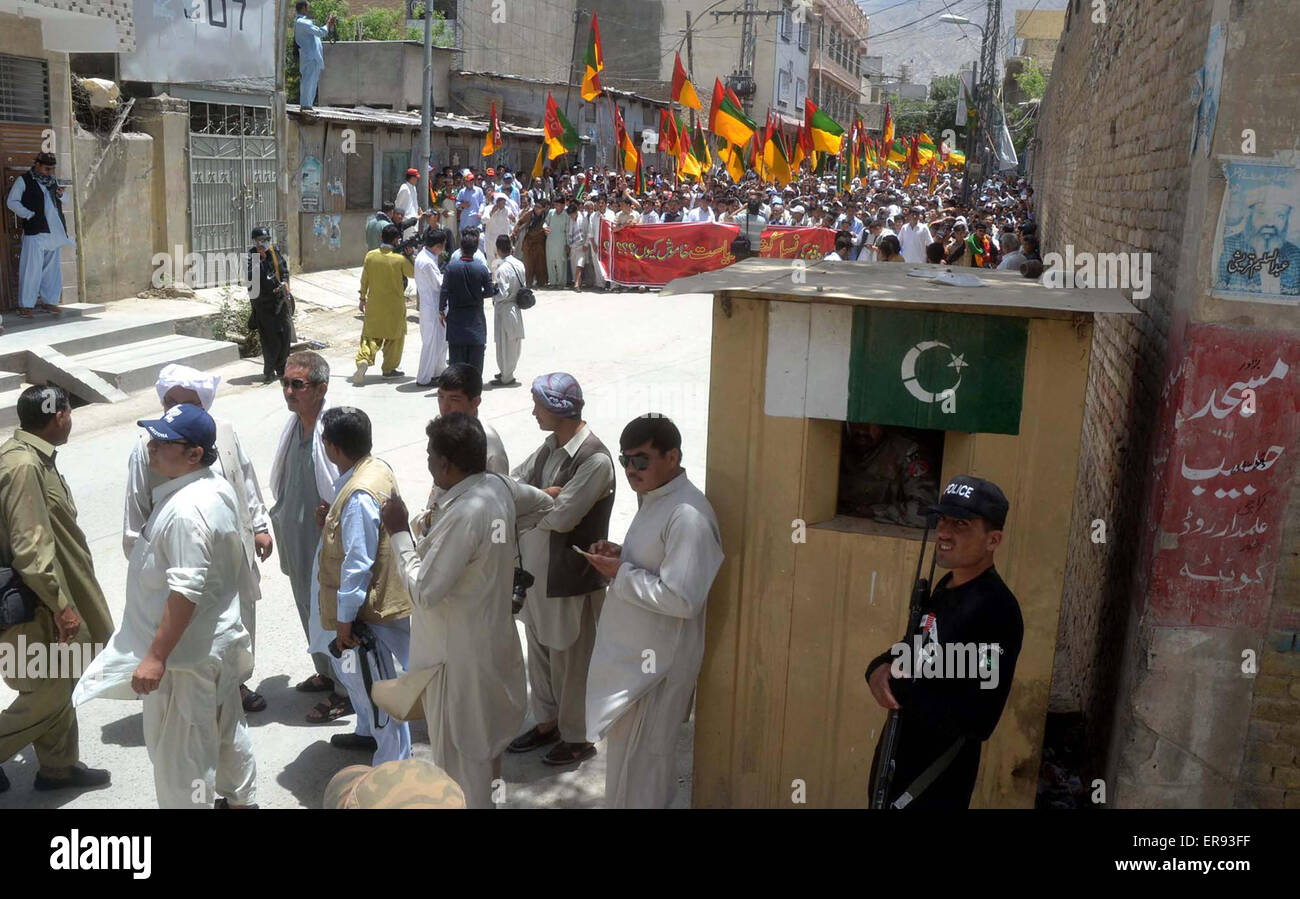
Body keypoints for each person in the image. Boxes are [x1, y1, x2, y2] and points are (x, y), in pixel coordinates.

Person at [75, 404, 257, 808]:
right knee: (225, 730)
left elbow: (186, 590)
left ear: (194, 454)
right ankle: (242, 800)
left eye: (162, 443)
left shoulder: (187, 510)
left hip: (184, 659)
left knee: (183, 760)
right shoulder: (212, 487)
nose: (151, 449)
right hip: (214, 643)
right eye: (151, 440)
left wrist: (156, 656)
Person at [378, 413, 554, 807]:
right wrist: (500, 545)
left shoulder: (466, 513)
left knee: (462, 766)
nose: (425, 462)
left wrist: (400, 532)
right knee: (485, 758)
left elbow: (425, 590)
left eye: (429, 455)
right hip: (489, 650)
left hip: (459, 668)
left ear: (445, 464)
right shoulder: (497, 487)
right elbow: (543, 504)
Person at [583, 415, 724, 808]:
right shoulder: (657, 499)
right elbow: (653, 567)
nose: (631, 470)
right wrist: (621, 557)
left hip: (657, 671)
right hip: (635, 665)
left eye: (641, 460)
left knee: (644, 779)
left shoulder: (687, 516)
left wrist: (620, 573)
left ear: (672, 456)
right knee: (628, 776)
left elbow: (682, 598)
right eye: (625, 460)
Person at [865, 476, 1023, 809]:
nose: (944, 532)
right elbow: (919, 645)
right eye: (943, 520)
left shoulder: (996, 610)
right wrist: (878, 667)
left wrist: (899, 685)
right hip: (897, 776)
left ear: (993, 540)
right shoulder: (946, 587)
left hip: (934, 788)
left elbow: (979, 716)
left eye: (961, 524)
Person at [124, 364, 273, 714]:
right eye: (170, 401)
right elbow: (135, 512)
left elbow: (244, 479)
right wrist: (144, 570)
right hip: (179, 560)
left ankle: (234, 683)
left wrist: (260, 525)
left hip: (229, 554)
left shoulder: (223, 432)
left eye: (186, 403)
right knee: (187, 626)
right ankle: (189, 694)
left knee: (235, 620)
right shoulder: (149, 445)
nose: (175, 408)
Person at [0, 385, 114, 795]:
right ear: (60, 415)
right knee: (45, 692)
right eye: (69, 411)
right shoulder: (24, 466)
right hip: (33, 603)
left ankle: (58, 769)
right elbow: (31, 549)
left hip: (47, 596)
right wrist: (62, 606)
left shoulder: (30, 457)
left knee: (61, 678)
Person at [507, 374, 614, 767]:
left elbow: (563, 517)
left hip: (570, 580)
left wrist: (538, 502)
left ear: (557, 408)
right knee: (540, 652)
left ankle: (578, 736)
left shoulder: (595, 460)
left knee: (572, 662)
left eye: (538, 404)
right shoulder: (551, 447)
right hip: (537, 576)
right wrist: (544, 496)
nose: (533, 411)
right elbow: (512, 483)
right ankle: (547, 722)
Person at [311, 407, 413, 764]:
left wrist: (344, 619)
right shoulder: (376, 468)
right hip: (387, 600)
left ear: (332, 447)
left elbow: (358, 562)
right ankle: (369, 735)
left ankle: (392, 773)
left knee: (380, 693)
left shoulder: (357, 495)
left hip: (368, 614)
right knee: (373, 686)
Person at [267, 351, 348, 720]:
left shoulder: (334, 429)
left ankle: (346, 690)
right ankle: (325, 672)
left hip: (323, 540)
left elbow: (347, 483)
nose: (288, 390)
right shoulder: (295, 425)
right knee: (305, 604)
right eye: (285, 382)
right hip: (296, 538)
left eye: (296, 384)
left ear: (321, 388)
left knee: (329, 611)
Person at [5, 152, 74, 318]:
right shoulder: (25, 180)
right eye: (46, 168)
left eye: (52, 168)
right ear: (37, 165)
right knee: (31, 269)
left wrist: (61, 193)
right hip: (35, 231)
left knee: (52, 270)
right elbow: (11, 202)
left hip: (54, 232)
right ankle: (26, 305)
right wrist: (28, 214)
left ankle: (49, 302)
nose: (49, 171)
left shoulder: (53, 182)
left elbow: (66, 200)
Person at [837, 422, 938, 528]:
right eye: (856, 421)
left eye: (871, 422)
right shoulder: (833, 441)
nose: (862, 429)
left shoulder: (905, 452)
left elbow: (927, 512)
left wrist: (877, 511)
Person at [355, 224, 415, 384]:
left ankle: (364, 359)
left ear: (382, 238)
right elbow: (414, 273)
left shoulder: (370, 256)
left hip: (374, 304)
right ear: (396, 240)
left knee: (370, 337)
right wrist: (410, 256)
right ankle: (389, 369)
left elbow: (364, 279)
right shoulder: (399, 259)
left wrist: (362, 298)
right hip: (395, 306)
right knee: (394, 339)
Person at [440, 232, 495, 374]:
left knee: (456, 365)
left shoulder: (451, 268)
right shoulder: (481, 268)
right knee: (475, 366)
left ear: (461, 248)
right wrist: (477, 296)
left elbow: (444, 291)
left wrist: (441, 310)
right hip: (476, 321)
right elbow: (490, 291)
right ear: (476, 249)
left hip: (456, 320)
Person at [246, 226, 293, 384]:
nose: (263, 243)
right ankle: (269, 371)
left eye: (266, 240)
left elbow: (284, 270)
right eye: (260, 240)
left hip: (280, 301)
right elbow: (254, 281)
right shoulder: (253, 256)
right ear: (255, 241)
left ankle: (282, 367)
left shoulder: (275, 251)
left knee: (285, 335)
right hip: (264, 304)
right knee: (270, 339)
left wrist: (286, 283)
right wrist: (261, 259)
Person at [489, 234, 526, 388]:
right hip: (516, 306)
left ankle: (506, 376)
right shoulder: (519, 264)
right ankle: (506, 371)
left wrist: (492, 295)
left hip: (505, 307)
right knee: (513, 342)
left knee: (505, 343)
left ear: (498, 249)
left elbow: (502, 293)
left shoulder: (502, 268)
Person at [414, 228, 448, 387]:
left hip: (433, 306)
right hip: (431, 307)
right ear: (438, 246)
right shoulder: (426, 261)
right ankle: (424, 378)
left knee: (439, 342)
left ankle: (436, 373)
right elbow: (438, 284)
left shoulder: (427, 256)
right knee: (430, 343)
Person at [294, 1, 336, 110]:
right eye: (307, 7)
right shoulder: (302, 22)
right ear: (303, 7)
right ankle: (306, 105)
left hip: (313, 57)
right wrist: (328, 23)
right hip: (310, 57)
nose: (308, 9)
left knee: (312, 82)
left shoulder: (304, 22)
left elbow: (318, 33)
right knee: (308, 81)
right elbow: (321, 32)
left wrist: (329, 25)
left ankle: (308, 105)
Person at [517, 197, 549, 287]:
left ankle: (542, 283)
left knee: (541, 264)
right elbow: (519, 222)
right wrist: (514, 232)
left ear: (543, 208)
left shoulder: (546, 215)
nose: (536, 209)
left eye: (539, 207)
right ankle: (529, 283)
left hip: (540, 244)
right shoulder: (530, 214)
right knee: (528, 265)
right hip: (529, 243)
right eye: (535, 206)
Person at [545, 197, 570, 288]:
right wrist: (545, 228)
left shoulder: (566, 215)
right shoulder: (551, 212)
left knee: (561, 262)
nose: (556, 206)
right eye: (555, 204)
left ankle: (561, 283)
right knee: (550, 261)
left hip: (561, 240)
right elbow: (545, 222)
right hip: (550, 239)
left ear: (563, 205)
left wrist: (567, 244)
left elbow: (568, 230)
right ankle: (552, 282)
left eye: (558, 204)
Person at [566, 202, 587, 291]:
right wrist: (568, 244)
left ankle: (576, 284)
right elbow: (567, 233)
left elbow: (587, 231)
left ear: (576, 212)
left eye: (572, 214)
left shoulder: (583, 219)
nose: (571, 216)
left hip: (581, 245)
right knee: (574, 266)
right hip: (572, 246)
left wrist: (586, 244)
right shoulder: (569, 220)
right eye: (570, 215)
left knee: (579, 264)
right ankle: (577, 282)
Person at [395, 168, 421, 237]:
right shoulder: (404, 188)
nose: (417, 180)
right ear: (411, 178)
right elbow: (398, 204)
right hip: (406, 219)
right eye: (416, 178)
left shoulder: (413, 188)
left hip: (414, 218)